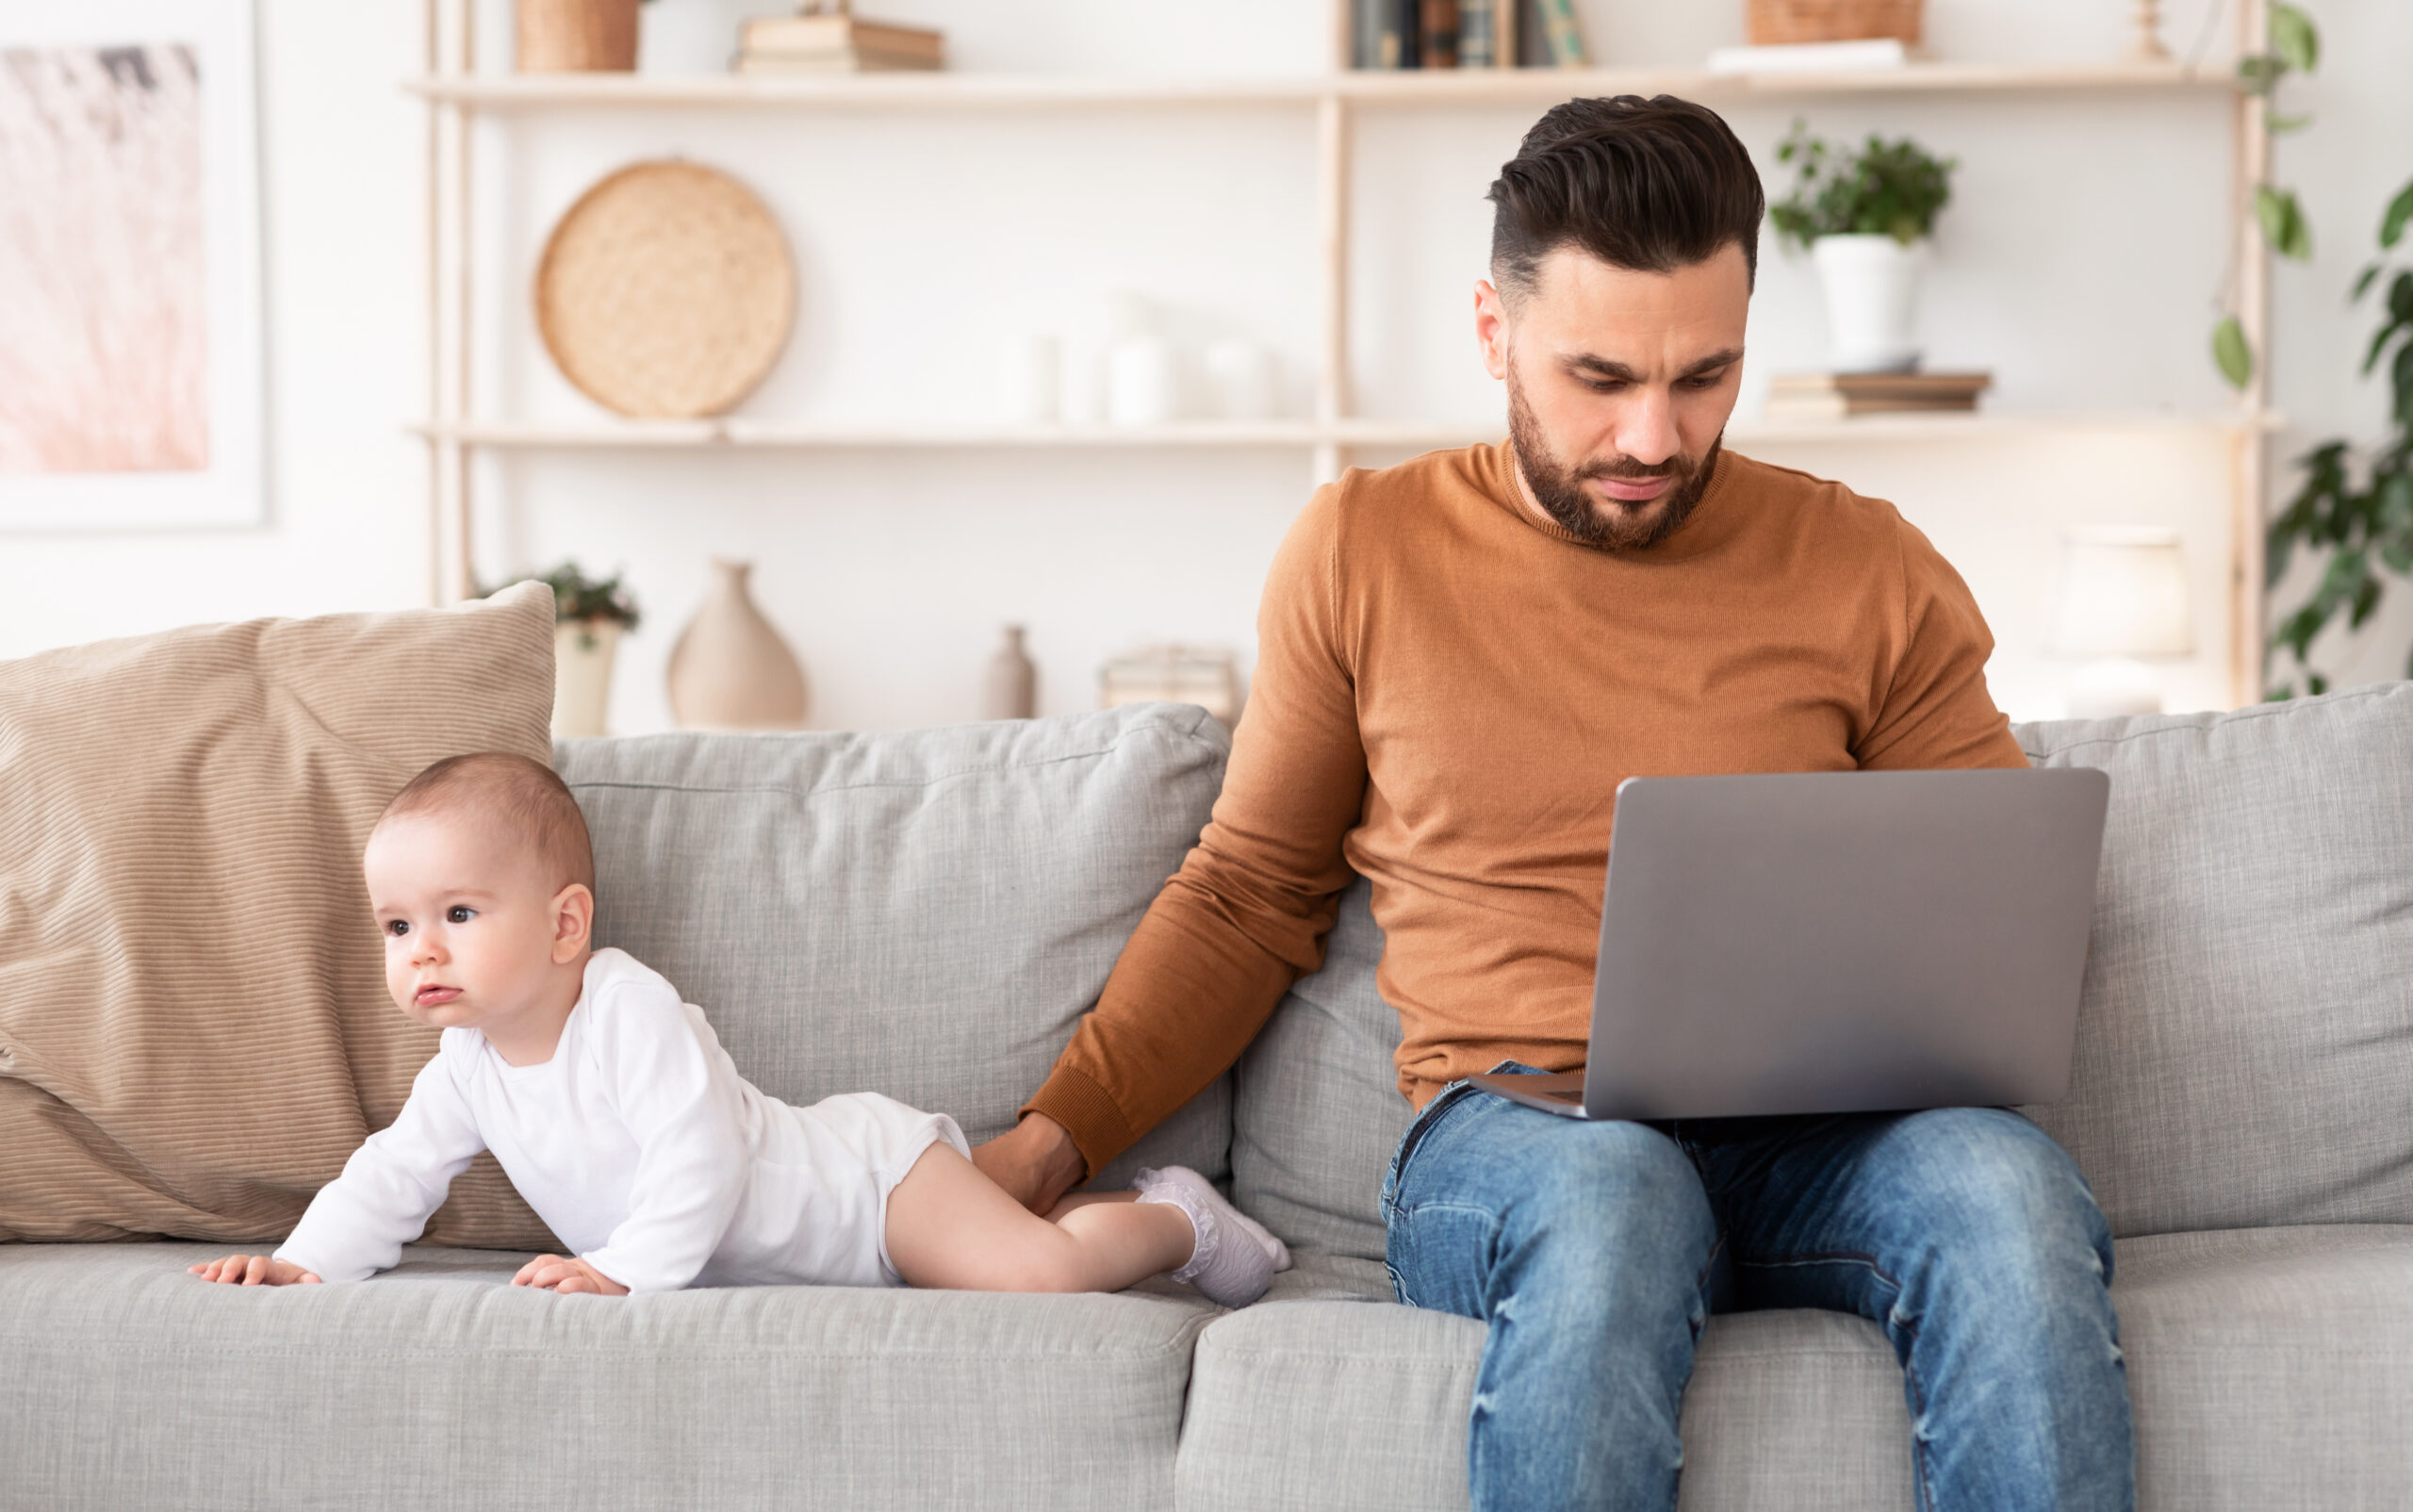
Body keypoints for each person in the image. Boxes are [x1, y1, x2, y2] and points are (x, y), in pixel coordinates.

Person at [973, 95, 2135, 1511]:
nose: (1653, 435)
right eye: (1600, 377)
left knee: (2003, 1186)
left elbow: (1993, 889)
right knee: (1618, 1190)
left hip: (1817, 1147)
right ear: (1493, 331)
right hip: (1515, 1143)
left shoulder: (1864, 564)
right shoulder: (1363, 551)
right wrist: (1045, 1141)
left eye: (1705, 377)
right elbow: (1249, 895)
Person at [189, 752, 1288, 1307]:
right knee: (999, 1249)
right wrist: (303, 1265)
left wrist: (623, 1270)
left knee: (1038, 1276)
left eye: (457, 914)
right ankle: (1108, 1211)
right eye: (397, 925)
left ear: (565, 924)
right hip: (835, 1233)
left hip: (870, 1188)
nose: (420, 950)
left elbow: (700, 1154)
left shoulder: (623, 1005)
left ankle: (1173, 1219)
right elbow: (393, 1173)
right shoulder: (466, 1065)